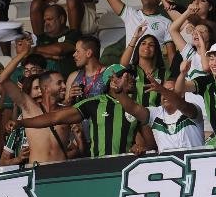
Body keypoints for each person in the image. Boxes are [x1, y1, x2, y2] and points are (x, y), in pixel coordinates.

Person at [17, 64, 149, 158]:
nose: (131, 78)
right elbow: (55, 118)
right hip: (99, 169)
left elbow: (144, 143)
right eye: (124, 76)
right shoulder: (94, 102)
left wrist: (138, 148)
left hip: (128, 168)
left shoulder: (136, 107)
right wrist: (22, 123)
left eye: (131, 75)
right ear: (111, 81)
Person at [0, 55, 76, 163]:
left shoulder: (68, 112)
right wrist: (24, 53)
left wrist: (79, 136)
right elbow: (3, 78)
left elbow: (79, 149)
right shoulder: (29, 109)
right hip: (36, 172)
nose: (65, 86)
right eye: (59, 83)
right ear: (46, 88)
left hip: (62, 172)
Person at [127, 76, 205, 152]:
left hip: (195, 164)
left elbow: (182, 106)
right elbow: (134, 109)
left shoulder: (193, 108)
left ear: (182, 94)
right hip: (167, 165)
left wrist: (162, 89)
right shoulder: (156, 113)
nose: (164, 94)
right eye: (162, 91)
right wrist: (119, 92)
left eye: (170, 90)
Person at [122, 32, 168, 107]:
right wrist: (135, 38)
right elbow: (121, 66)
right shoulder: (130, 70)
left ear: (156, 50)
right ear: (138, 48)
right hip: (131, 116)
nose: (147, 46)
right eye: (143, 43)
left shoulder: (164, 73)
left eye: (151, 45)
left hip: (157, 116)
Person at [31, 4, 79, 77]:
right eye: (45, 21)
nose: (46, 23)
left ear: (61, 19)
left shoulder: (73, 34)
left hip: (68, 82)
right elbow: (30, 55)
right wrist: (52, 56)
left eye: (49, 19)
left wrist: (35, 49)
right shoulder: (42, 37)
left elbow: (59, 50)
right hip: (44, 83)